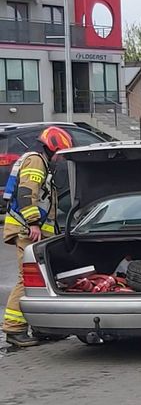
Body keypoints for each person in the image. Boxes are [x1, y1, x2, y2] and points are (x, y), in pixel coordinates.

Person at [2, 126, 73, 347]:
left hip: (31, 230)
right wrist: (33, 223)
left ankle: (42, 327)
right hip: (26, 230)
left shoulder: (37, 162)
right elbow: (26, 193)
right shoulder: (35, 162)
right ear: (52, 148)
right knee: (27, 279)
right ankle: (14, 329)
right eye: (59, 154)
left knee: (39, 280)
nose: (59, 160)